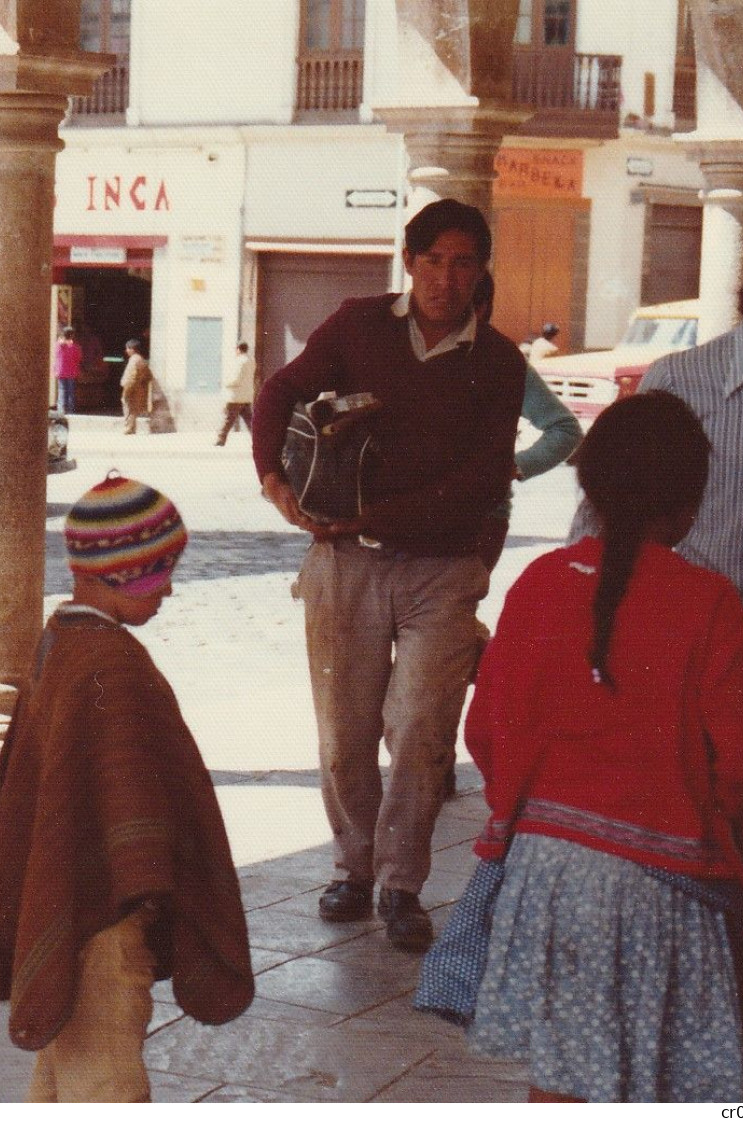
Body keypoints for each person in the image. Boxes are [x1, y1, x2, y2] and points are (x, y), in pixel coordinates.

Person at [463, 391, 743, 1102]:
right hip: (664, 888)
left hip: (546, 882)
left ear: (591, 486)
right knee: (666, 1080)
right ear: (689, 500)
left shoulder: (539, 583)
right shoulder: (713, 605)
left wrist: (541, 821)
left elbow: (485, 730)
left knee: (566, 1081)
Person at [570, 190, 743, 1086]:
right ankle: (731, 1088)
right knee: (724, 904)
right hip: (711, 696)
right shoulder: (685, 385)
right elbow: (600, 529)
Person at [252, 198, 526, 951]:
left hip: (442, 569)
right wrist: (275, 483)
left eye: (462, 262)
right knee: (344, 729)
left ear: (480, 272)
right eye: (433, 259)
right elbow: (277, 392)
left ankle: (401, 883)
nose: (445, 278)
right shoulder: (358, 324)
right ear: (409, 262)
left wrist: (372, 517)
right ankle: (351, 866)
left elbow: (480, 477)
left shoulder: (498, 362)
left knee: (419, 728)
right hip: (346, 566)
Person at [0, 475, 253, 1102]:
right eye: (160, 572)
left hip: (75, 905)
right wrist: (153, 879)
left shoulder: (64, 639)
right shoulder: (109, 663)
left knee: (67, 1072)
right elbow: (130, 801)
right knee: (107, 1082)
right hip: (104, 918)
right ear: (122, 573)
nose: (171, 588)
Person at [472, 276, 583, 572]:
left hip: (480, 521)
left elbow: (566, 429)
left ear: (481, 309)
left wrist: (515, 465)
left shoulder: (501, 362)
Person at [216, 341, 255, 446]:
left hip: (236, 397)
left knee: (228, 419)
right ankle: (258, 439)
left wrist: (225, 383)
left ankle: (220, 439)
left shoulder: (240, 361)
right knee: (250, 420)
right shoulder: (251, 361)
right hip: (246, 396)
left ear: (238, 349)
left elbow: (236, 379)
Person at [120, 338, 153, 435]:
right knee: (133, 409)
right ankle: (131, 428)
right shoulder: (141, 360)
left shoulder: (134, 360)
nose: (126, 351)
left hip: (131, 388)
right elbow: (148, 376)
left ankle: (128, 428)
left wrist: (127, 390)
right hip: (138, 388)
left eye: (127, 348)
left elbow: (131, 377)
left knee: (128, 408)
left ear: (132, 349)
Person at [54, 326, 82, 414]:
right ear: (72, 335)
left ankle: (61, 409)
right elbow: (79, 358)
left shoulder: (58, 345)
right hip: (72, 372)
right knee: (71, 391)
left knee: (61, 390)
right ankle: (71, 409)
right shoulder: (75, 347)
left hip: (61, 371)